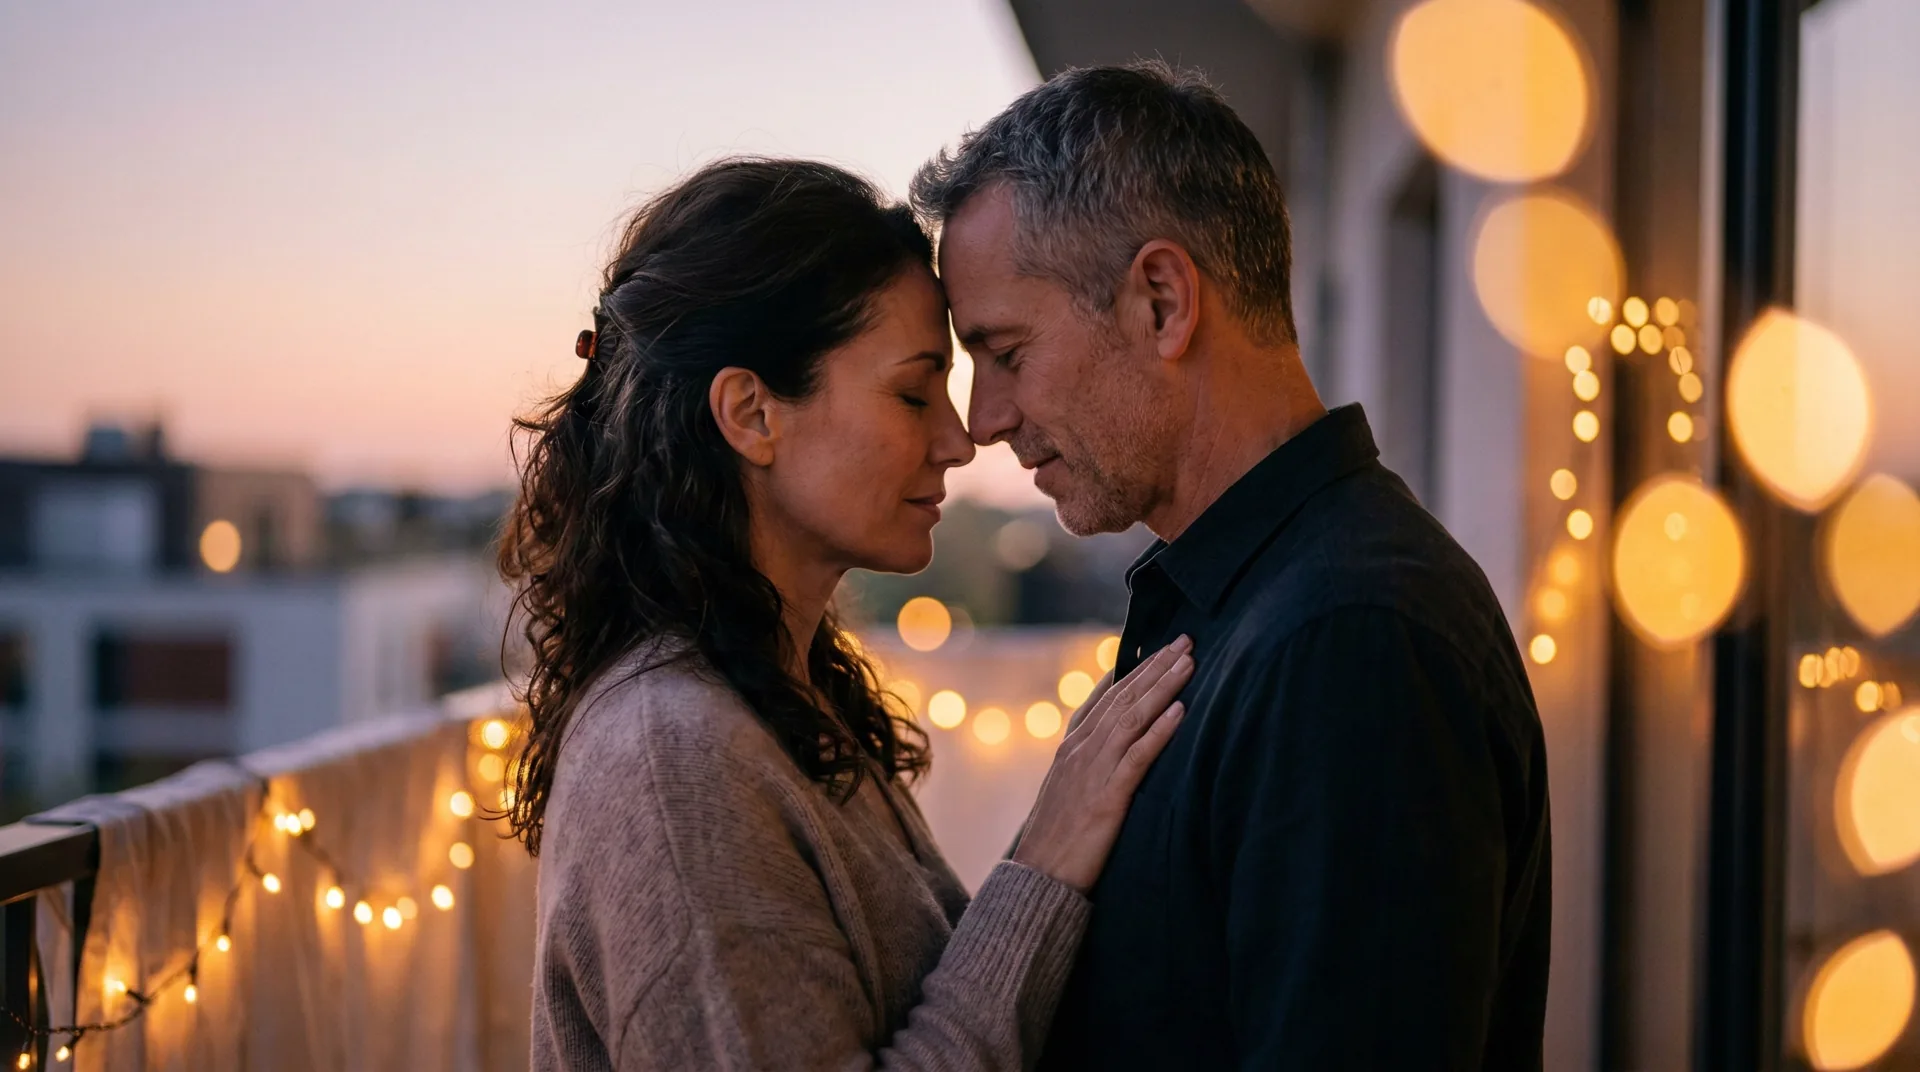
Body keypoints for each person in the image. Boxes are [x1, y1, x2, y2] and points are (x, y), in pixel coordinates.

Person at [910, 61, 1552, 1070]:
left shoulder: (1349, 639)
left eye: (1006, 352)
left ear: (1162, 301)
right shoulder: (1248, 603)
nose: (984, 418)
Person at [501, 157, 1196, 1071]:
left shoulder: (776, 699)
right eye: (913, 393)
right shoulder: (672, 759)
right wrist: (1042, 866)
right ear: (752, 412)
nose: (960, 440)